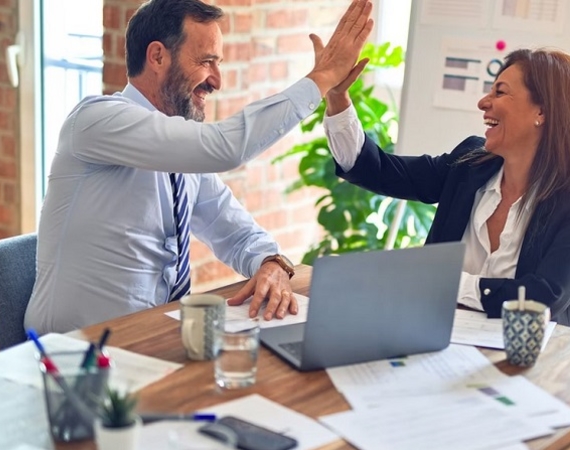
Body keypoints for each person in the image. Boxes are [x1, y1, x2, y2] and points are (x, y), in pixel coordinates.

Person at [25, 0, 373, 334]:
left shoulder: (181, 155)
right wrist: (322, 78)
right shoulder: (96, 120)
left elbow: (235, 232)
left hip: (152, 341)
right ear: (158, 56)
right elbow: (225, 147)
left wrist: (270, 263)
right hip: (74, 354)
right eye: (206, 61)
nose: (217, 81)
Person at [323, 48, 570, 326]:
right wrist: (337, 97)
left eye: (499, 92)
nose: (483, 102)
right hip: (434, 339)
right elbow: (378, 170)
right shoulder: (469, 165)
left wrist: (444, 281)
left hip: (527, 361)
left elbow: (542, 300)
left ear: (542, 112)